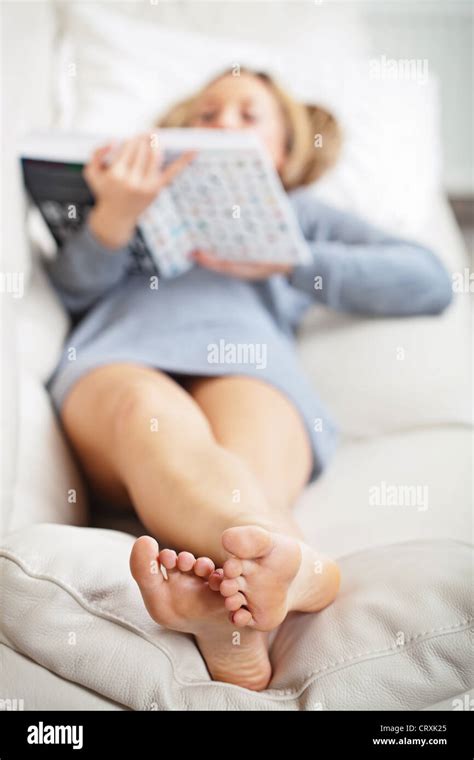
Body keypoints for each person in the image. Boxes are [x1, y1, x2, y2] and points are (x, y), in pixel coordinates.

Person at [45, 69, 453, 691]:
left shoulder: (300, 217)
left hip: (252, 370)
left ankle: (231, 620)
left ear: (286, 154)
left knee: (245, 466)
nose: (222, 126)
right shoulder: (130, 201)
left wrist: (295, 260)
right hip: (124, 360)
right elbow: (73, 286)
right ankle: (307, 572)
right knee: (144, 414)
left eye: (246, 117)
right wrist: (114, 221)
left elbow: (428, 279)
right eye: (206, 116)